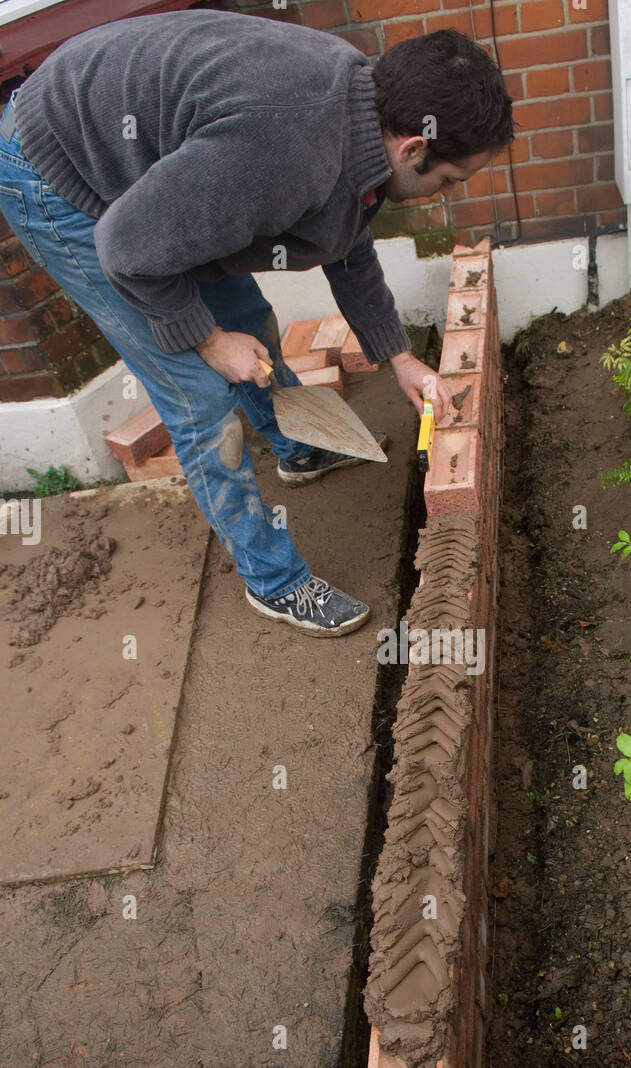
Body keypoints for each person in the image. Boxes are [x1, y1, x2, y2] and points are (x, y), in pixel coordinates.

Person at [0, 12, 513, 635]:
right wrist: (208, 342)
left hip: (151, 153)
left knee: (249, 320)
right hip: (58, 168)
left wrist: (399, 355)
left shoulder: (359, 114)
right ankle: (274, 582)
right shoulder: (281, 149)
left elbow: (344, 235)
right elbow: (128, 249)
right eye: (449, 180)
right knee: (198, 395)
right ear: (412, 147)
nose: (448, 194)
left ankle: (297, 448)